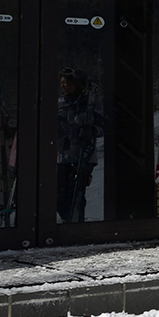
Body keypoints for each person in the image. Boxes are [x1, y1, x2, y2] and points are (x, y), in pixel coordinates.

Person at [54, 67, 101, 224]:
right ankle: (66, 221)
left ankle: (76, 224)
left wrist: (93, 130)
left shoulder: (89, 104)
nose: (64, 86)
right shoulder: (59, 104)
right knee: (58, 195)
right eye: (62, 83)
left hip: (82, 155)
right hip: (61, 156)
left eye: (68, 83)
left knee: (76, 194)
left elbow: (104, 125)